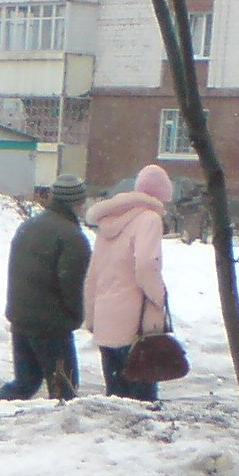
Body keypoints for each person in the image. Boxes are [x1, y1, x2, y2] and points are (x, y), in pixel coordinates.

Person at [0, 173, 91, 402]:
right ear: (76, 203)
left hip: (21, 319)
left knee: (25, 382)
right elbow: (72, 284)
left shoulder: (28, 227)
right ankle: (62, 427)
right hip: (51, 326)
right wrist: (75, 316)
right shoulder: (72, 237)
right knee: (65, 389)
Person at [84, 164, 174, 403]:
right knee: (143, 402)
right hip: (134, 326)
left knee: (116, 399)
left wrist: (91, 317)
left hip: (106, 320)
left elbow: (94, 274)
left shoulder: (108, 222)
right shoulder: (149, 219)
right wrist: (159, 297)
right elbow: (146, 265)